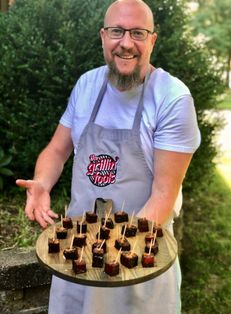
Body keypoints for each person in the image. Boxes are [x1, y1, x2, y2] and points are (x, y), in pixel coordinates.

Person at [16, 0, 201, 313]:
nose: (126, 43)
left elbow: (163, 197)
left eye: (138, 33)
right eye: (117, 31)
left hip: (138, 260)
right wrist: (43, 183)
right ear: (103, 36)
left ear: (152, 40)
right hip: (77, 258)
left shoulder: (172, 98)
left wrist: (112, 251)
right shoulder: (87, 84)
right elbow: (57, 149)